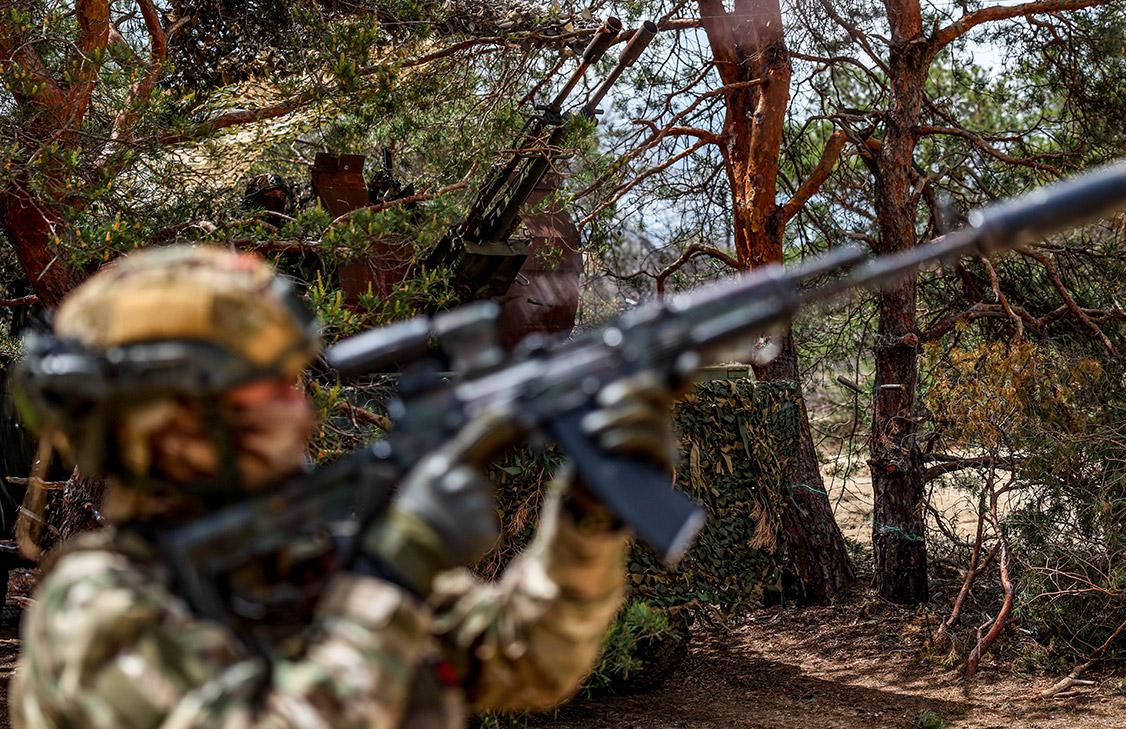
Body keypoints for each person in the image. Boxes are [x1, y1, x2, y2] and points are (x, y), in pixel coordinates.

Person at [9, 245, 677, 728]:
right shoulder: (94, 611)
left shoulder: (301, 554)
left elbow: (527, 660)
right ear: (177, 421)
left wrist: (588, 517)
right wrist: (392, 575)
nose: (301, 409)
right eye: (271, 386)